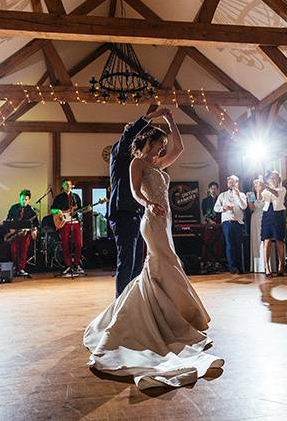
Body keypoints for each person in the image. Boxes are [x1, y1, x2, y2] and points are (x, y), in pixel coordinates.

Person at [84, 112, 223, 390]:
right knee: (157, 264)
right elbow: (135, 192)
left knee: (155, 267)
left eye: (163, 144)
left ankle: (167, 314)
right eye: (158, 143)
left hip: (164, 220)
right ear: (147, 141)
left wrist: (171, 122)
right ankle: (125, 314)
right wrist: (148, 203)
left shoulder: (158, 163)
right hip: (149, 216)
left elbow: (179, 148)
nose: (162, 148)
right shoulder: (132, 160)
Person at [108, 107, 168, 297]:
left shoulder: (142, 162)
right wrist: (151, 116)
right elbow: (129, 133)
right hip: (122, 213)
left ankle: (133, 305)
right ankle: (121, 306)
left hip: (138, 215)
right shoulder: (118, 154)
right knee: (126, 262)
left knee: (136, 265)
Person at [51, 178, 87, 276]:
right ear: (62, 186)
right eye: (65, 184)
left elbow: (80, 210)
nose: (67, 186)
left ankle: (75, 265)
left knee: (79, 244)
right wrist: (58, 211)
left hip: (75, 222)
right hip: (64, 223)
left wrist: (87, 209)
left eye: (69, 184)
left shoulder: (76, 197)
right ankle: (68, 265)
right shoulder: (58, 197)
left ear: (71, 186)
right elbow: (52, 210)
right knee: (65, 244)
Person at [214, 175, 248, 274]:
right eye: (229, 182)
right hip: (227, 222)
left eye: (233, 182)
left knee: (238, 245)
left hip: (238, 222)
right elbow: (216, 208)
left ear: (237, 183)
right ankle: (232, 267)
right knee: (230, 245)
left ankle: (240, 267)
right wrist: (224, 208)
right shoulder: (222, 195)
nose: (231, 184)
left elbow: (244, 206)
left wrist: (237, 196)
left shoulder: (241, 194)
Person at [6, 189, 39, 278]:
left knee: (23, 251)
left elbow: (35, 223)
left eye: (26, 199)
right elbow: (8, 219)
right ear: (19, 198)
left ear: (28, 200)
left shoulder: (31, 210)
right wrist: (11, 228)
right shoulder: (14, 208)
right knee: (13, 250)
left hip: (25, 233)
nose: (24, 201)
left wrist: (34, 230)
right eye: (22, 199)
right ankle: (14, 267)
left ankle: (21, 268)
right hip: (15, 233)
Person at [260, 170, 287, 277]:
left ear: (279, 179)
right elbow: (261, 199)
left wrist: (266, 187)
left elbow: (276, 194)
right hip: (267, 214)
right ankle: (267, 267)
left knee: (279, 240)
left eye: (275, 177)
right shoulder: (265, 190)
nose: (273, 179)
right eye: (271, 177)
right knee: (267, 240)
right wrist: (259, 189)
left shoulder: (282, 189)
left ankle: (281, 265)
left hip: (278, 214)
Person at [200, 181, 223, 270]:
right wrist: (210, 221)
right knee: (207, 244)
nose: (213, 190)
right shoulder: (205, 201)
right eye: (212, 188)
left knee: (218, 244)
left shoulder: (221, 199)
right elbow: (205, 214)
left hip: (219, 225)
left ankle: (217, 262)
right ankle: (207, 262)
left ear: (218, 190)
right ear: (209, 190)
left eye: (215, 189)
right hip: (209, 225)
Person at [248, 178, 265, 273]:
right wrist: (257, 194)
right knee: (256, 239)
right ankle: (257, 266)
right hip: (255, 217)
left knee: (264, 239)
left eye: (258, 185)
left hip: (264, 217)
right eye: (255, 185)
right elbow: (252, 207)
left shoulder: (266, 194)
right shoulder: (250, 195)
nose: (256, 187)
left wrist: (260, 193)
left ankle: (266, 265)